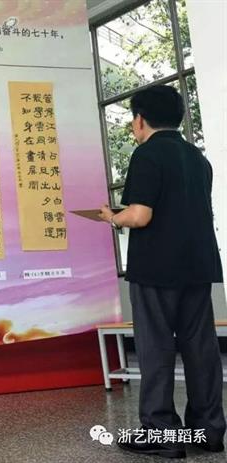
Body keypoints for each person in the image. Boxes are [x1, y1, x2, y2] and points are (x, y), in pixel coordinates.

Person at [98, 85, 225, 458]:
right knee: (200, 349)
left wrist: (111, 217)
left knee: (156, 349)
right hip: (197, 266)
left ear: (140, 119)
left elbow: (140, 215)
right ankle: (208, 431)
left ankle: (162, 433)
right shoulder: (197, 158)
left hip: (156, 268)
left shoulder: (147, 154)